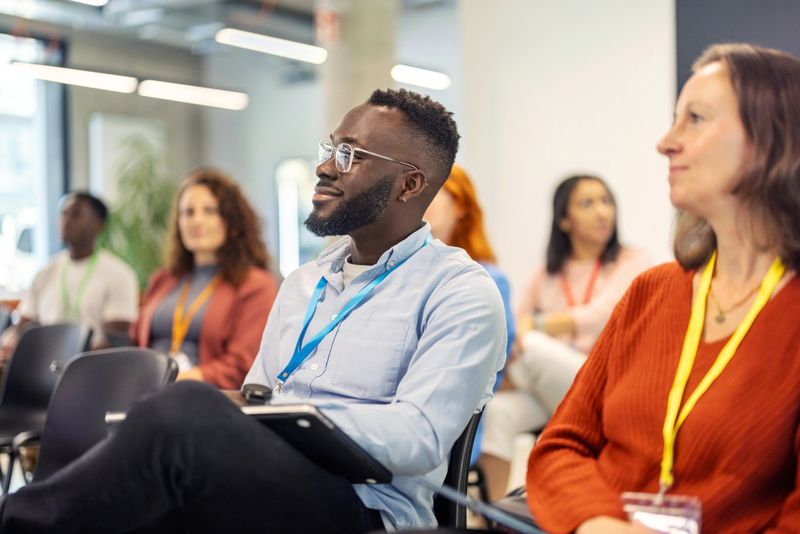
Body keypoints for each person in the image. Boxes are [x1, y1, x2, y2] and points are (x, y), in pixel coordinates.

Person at [0, 89, 506, 533]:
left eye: (350, 154)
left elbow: (417, 438)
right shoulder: (305, 282)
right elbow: (259, 391)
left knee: (183, 412)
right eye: (331, 147)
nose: (326, 166)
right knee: (140, 488)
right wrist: (248, 411)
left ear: (410, 185)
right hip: (269, 475)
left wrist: (286, 418)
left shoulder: (459, 292)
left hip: (364, 508)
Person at [527, 43, 800, 533]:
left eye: (694, 119)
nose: (665, 142)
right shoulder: (651, 292)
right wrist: (598, 523)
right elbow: (560, 446)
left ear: (772, 140)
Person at [479, 175, 649, 500]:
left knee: (528, 345)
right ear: (564, 220)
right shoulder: (549, 272)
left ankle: (488, 381)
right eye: (588, 204)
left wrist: (537, 325)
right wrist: (523, 328)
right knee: (497, 413)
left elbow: (601, 314)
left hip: (606, 385)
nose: (603, 212)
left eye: (607, 201)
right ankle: (494, 516)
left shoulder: (632, 260)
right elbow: (511, 323)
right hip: (557, 389)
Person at [131, 168, 278, 388]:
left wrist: (173, 380)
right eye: (188, 212)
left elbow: (242, 365)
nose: (196, 221)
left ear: (232, 221)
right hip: (148, 387)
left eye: (210, 211)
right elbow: (135, 342)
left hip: (204, 396)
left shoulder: (256, 284)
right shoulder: (163, 280)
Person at [424, 163, 516, 465]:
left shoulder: (488, 280)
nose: (422, 199)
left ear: (461, 206)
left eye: (435, 192)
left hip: (447, 420)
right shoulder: (401, 276)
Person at [0, 192, 138, 358]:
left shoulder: (119, 274)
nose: (66, 220)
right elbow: (25, 321)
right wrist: (12, 338)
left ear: (98, 224)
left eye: (76, 214)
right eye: (63, 214)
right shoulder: (46, 272)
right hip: (41, 361)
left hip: (90, 365)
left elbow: (115, 339)